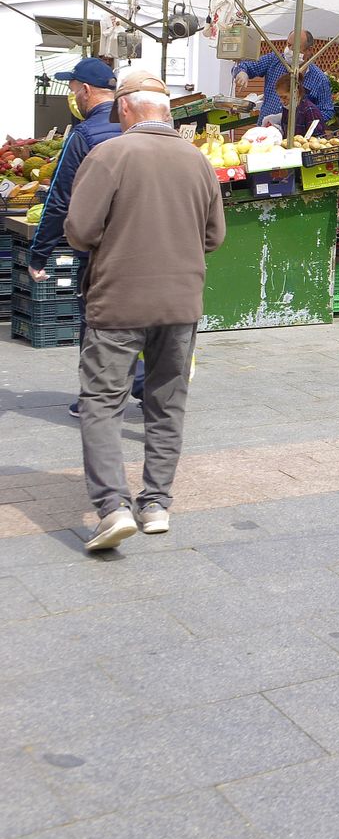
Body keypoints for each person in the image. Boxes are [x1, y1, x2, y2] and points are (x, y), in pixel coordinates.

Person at [65, 70, 226, 553]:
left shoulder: (108, 154)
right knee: (166, 403)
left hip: (118, 302)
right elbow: (214, 237)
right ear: (166, 111)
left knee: (101, 404)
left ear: (125, 109)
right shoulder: (197, 160)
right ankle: (155, 504)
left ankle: (113, 508)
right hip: (180, 302)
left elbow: (80, 231)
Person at [27, 57, 130, 417]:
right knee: (142, 319)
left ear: (84, 91)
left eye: (72, 89)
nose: (73, 96)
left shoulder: (84, 136)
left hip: (100, 250)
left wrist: (39, 254)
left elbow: (60, 201)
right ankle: (150, 384)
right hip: (144, 245)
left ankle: (96, 397)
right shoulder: (139, 127)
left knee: (96, 321)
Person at [231, 29, 334, 129]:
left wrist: (306, 118)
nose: (289, 50)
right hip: (265, 130)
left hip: (296, 135)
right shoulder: (274, 60)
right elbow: (244, 66)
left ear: (309, 50)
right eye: (288, 44)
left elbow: (327, 111)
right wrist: (242, 73)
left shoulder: (319, 79)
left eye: (294, 47)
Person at [273, 71, 325, 138]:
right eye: (280, 97)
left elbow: (318, 138)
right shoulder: (288, 109)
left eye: (285, 97)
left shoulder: (310, 110)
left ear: (296, 93)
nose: (282, 101)